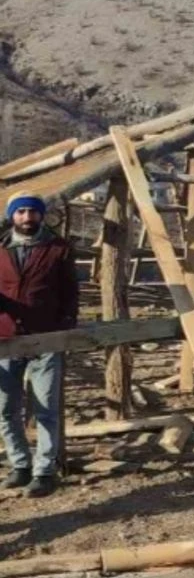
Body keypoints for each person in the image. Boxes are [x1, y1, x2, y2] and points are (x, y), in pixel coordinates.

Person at [0, 193, 78, 497]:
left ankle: (45, 471)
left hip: (45, 337)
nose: (27, 217)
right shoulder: (2, 248)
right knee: (6, 408)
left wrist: (66, 324)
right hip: (5, 338)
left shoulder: (58, 248)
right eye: (21, 212)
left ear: (41, 215)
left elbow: (70, 289)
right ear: (12, 216)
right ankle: (20, 465)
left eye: (33, 212)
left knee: (46, 407)